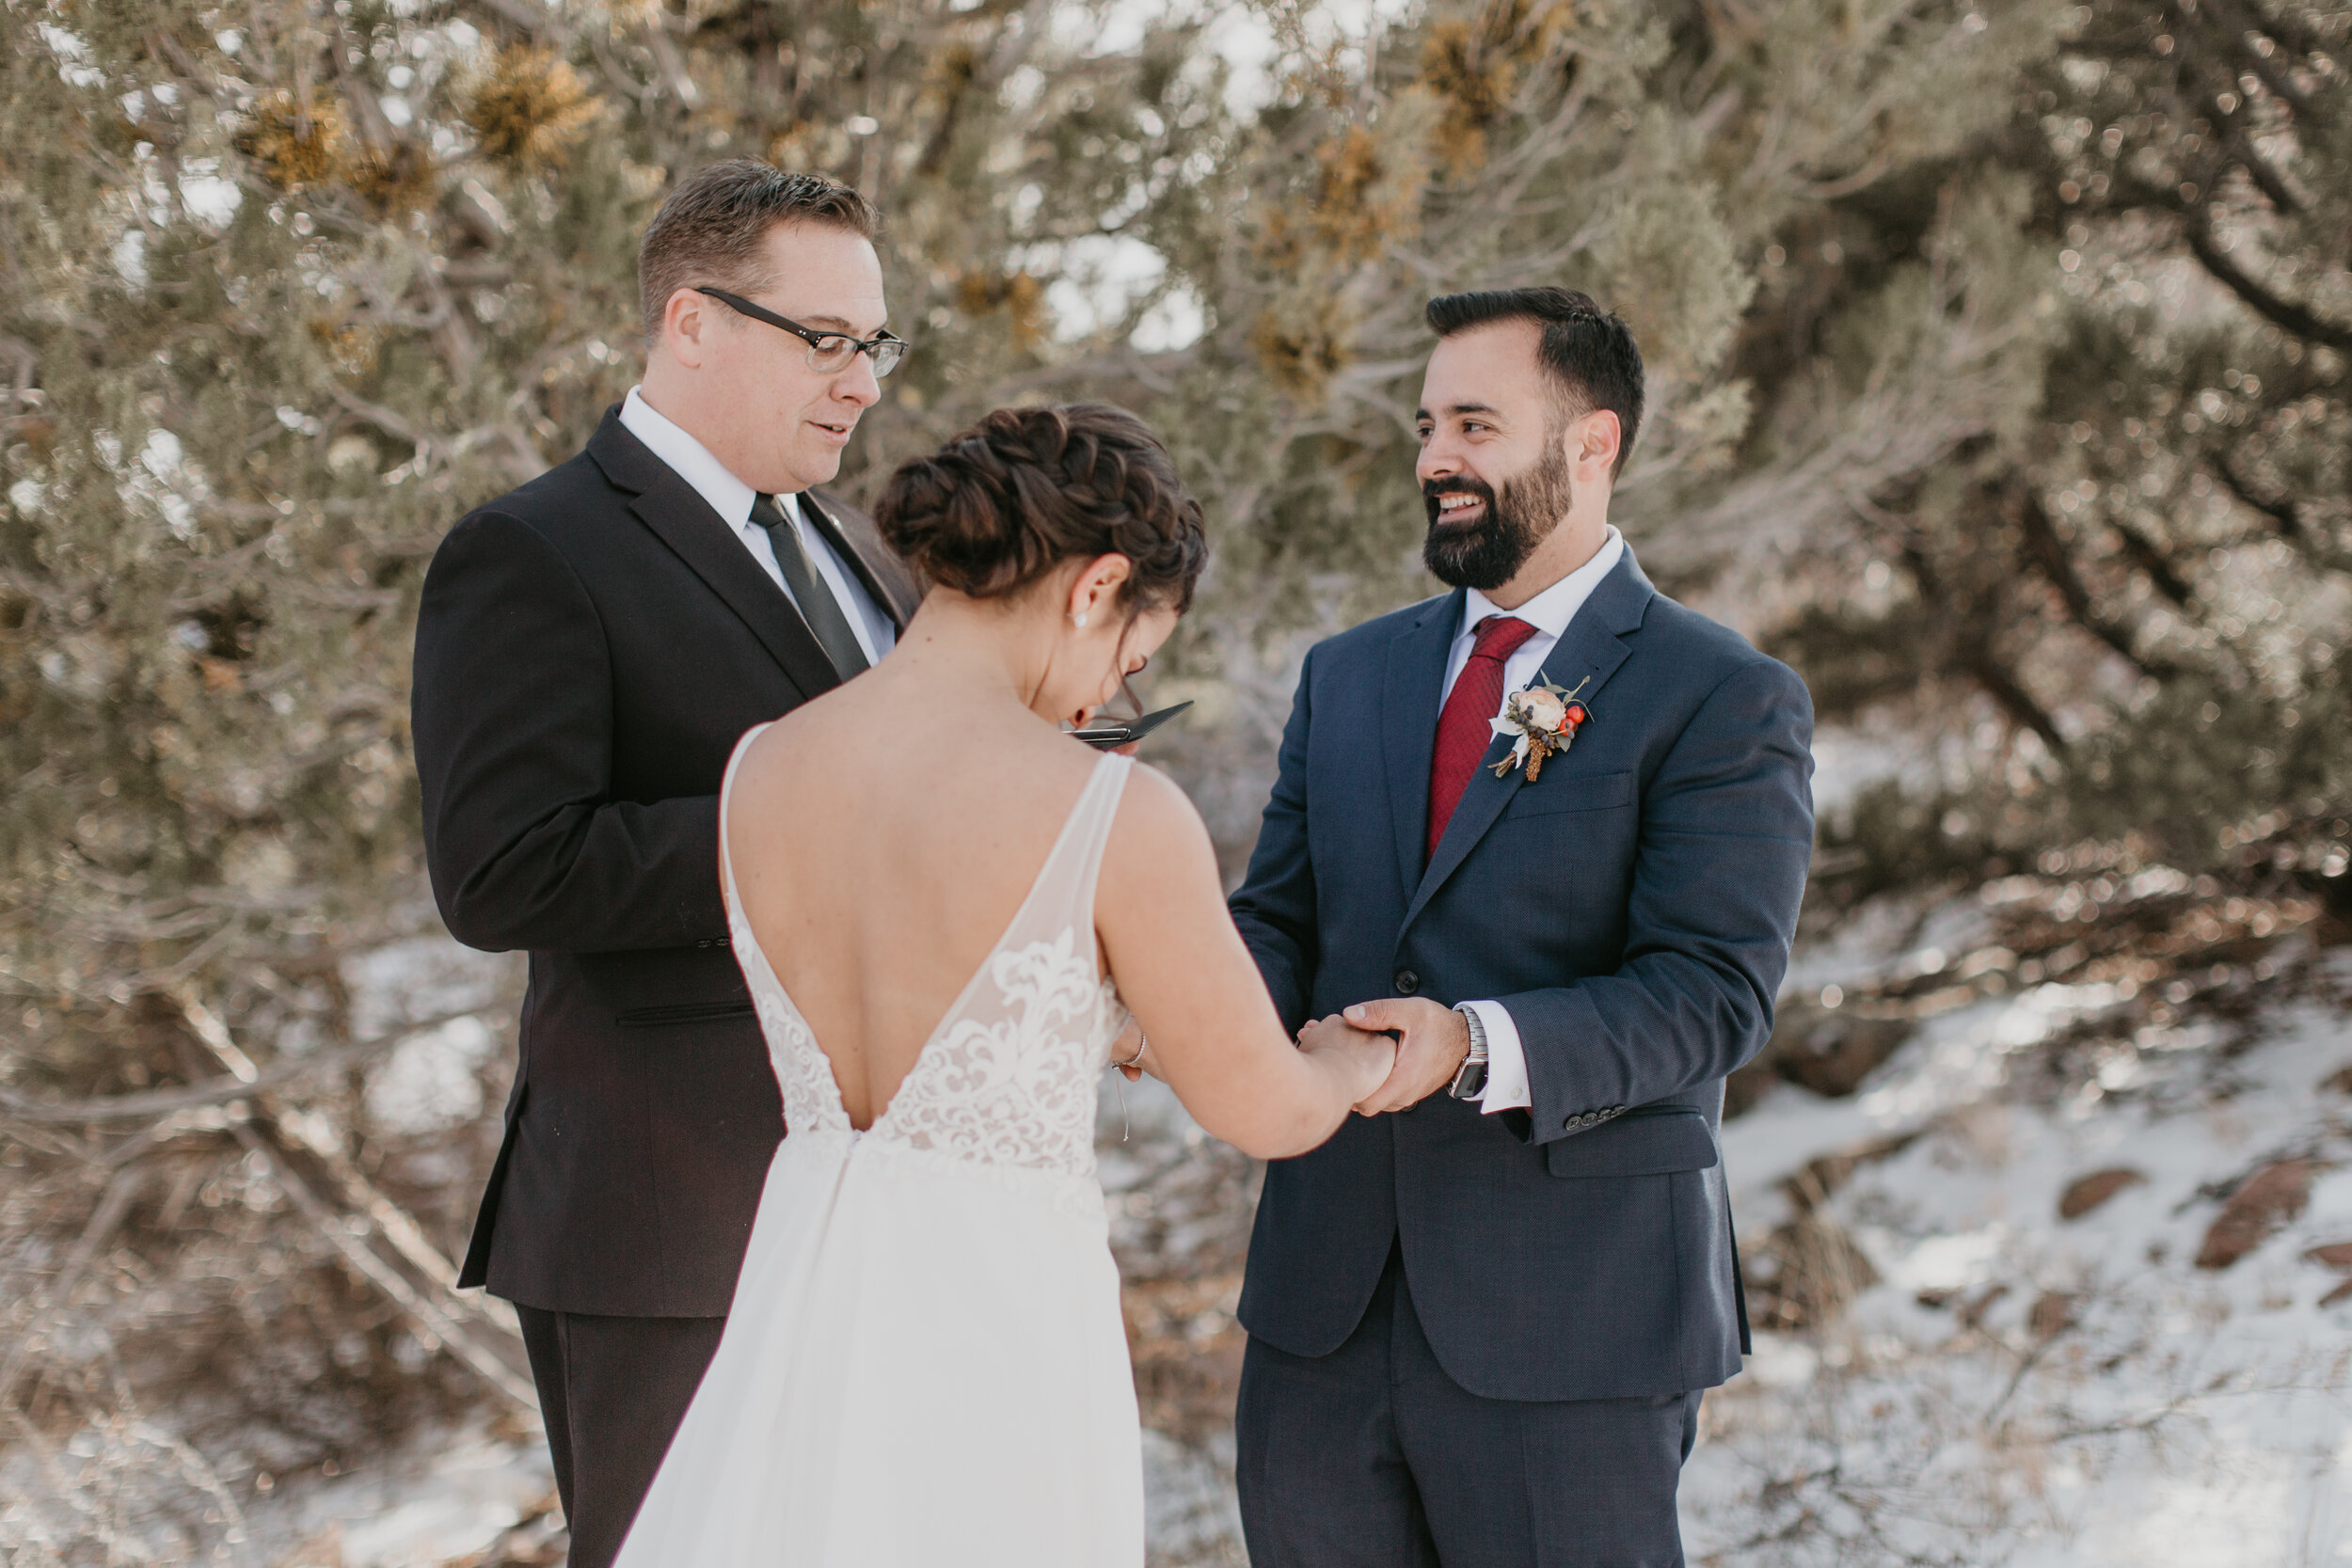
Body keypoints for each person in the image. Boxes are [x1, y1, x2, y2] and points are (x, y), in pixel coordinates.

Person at [610, 402, 1397, 1567]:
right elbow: (1263, 1106)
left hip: (805, 1289)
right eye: (1129, 665)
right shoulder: (1109, 810)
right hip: (994, 1316)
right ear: (1096, 588)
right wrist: (1371, 1054)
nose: (1100, 708)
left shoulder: (760, 770)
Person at [1227, 288, 1818, 1567]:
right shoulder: (1351, 673)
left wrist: (1469, 1043)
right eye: (1430, 423)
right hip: (1319, 1310)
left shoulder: (1720, 694)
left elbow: (1714, 993)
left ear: (1590, 442)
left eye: (1476, 424)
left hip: (1575, 1321)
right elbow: (1277, 919)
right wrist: (1175, 999)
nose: (1436, 456)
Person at [409, 161, 919, 1568]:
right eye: (825, 339)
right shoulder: (529, 549)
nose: (861, 379)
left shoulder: (860, 550)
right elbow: (504, 869)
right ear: (690, 321)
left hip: (880, 1197)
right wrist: (824, 831)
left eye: (874, 342)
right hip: (667, 1217)